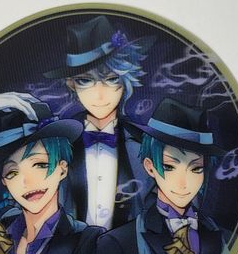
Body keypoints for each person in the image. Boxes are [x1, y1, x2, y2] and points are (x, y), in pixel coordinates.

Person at [94, 98, 231, 254]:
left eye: (196, 168)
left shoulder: (222, 237)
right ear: (150, 166)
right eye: (169, 167)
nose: (183, 183)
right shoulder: (117, 243)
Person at [0, 103, 104, 254]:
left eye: (40, 165)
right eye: (12, 173)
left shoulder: (88, 240)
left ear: (62, 169)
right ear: (4, 182)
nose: (27, 182)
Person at [43, 15, 156, 230]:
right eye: (85, 81)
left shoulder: (144, 143)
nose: (99, 94)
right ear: (71, 84)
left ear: (125, 79)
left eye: (111, 79)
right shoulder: (56, 143)